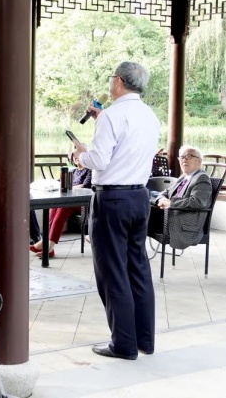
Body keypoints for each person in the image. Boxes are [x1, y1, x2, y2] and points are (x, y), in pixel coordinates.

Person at [73, 61, 160, 360]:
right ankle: (144, 341)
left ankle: (123, 344)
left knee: (112, 271)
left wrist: (80, 155)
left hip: (112, 200)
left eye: (112, 78)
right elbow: (127, 149)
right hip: (139, 197)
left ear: (119, 81)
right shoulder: (149, 115)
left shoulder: (111, 116)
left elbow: (99, 160)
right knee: (138, 269)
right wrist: (102, 122)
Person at [30, 152, 92, 257]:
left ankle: (48, 246)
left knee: (63, 207)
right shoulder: (73, 171)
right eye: (73, 156)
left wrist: (69, 187)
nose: (76, 158)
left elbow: (85, 186)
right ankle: (47, 243)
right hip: (71, 201)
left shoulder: (89, 171)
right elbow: (58, 183)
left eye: (78, 155)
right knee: (54, 206)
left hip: (83, 202)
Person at [149, 145, 212, 249]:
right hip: (168, 216)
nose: (184, 160)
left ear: (199, 161)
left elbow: (197, 202)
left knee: (141, 214)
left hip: (182, 225)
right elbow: (166, 192)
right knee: (144, 196)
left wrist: (170, 203)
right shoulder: (184, 176)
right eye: (181, 157)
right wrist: (161, 199)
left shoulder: (202, 178)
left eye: (188, 156)